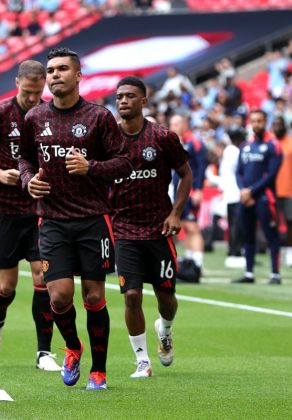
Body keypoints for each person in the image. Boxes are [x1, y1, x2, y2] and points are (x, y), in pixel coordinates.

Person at [18, 48, 132, 390]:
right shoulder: (34, 118)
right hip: (51, 219)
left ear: (78, 75)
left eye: (62, 69)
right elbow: (24, 158)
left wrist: (91, 167)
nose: (54, 74)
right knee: (58, 297)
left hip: (92, 219)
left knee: (95, 297)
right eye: (51, 70)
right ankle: (72, 347)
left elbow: (125, 162)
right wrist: (28, 180)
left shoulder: (99, 117)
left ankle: (99, 370)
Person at [0, 60, 59, 371]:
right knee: (6, 286)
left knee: (42, 277)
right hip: (2, 208)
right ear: (17, 83)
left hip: (38, 209)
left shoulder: (47, 114)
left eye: (37, 92)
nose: (33, 99)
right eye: (28, 92)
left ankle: (44, 352)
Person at [111, 76, 192, 378]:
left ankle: (166, 330)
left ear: (143, 101)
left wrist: (175, 213)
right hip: (124, 230)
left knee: (166, 298)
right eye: (119, 96)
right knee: (131, 296)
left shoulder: (162, 137)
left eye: (130, 96)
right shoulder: (108, 140)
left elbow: (186, 174)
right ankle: (142, 361)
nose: (123, 101)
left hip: (159, 229)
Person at [233, 110, 283, 284]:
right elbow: (238, 172)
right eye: (253, 121)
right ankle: (249, 273)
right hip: (246, 197)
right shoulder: (245, 146)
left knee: (271, 236)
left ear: (265, 122)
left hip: (264, 197)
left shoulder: (273, 145)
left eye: (260, 121)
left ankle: (275, 274)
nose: (257, 124)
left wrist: (251, 191)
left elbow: (271, 174)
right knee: (248, 236)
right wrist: (243, 190)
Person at [169, 114, 207, 277]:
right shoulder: (173, 143)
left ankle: (198, 263)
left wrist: (198, 189)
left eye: (178, 123)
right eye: (172, 124)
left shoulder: (195, 143)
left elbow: (201, 167)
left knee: (192, 226)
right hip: (175, 191)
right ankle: (190, 261)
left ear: (185, 124)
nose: (175, 126)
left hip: (189, 191)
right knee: (183, 225)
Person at [207, 128, 245, 268]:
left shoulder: (228, 152)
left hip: (230, 192)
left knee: (233, 224)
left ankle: (233, 251)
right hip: (235, 191)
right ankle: (235, 252)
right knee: (236, 224)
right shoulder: (233, 151)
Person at [272, 116, 292, 267]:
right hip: (270, 190)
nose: (277, 127)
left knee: (291, 222)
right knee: (272, 223)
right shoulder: (270, 143)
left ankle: (290, 250)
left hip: (288, 189)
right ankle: (274, 251)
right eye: (275, 125)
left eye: (279, 124)